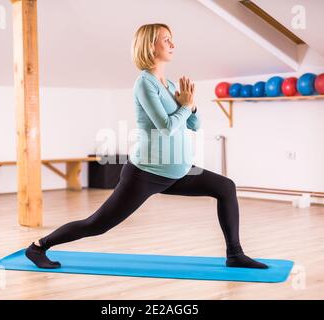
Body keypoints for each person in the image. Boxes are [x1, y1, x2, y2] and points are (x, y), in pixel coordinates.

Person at [25, 23, 268, 270]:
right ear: (151, 46)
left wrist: (192, 106)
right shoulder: (145, 83)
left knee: (225, 187)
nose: (173, 45)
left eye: (172, 39)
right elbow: (165, 126)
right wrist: (184, 106)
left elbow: (193, 125)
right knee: (97, 224)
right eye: (166, 40)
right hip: (146, 174)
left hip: (178, 172)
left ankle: (235, 254)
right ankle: (38, 247)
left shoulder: (170, 84)